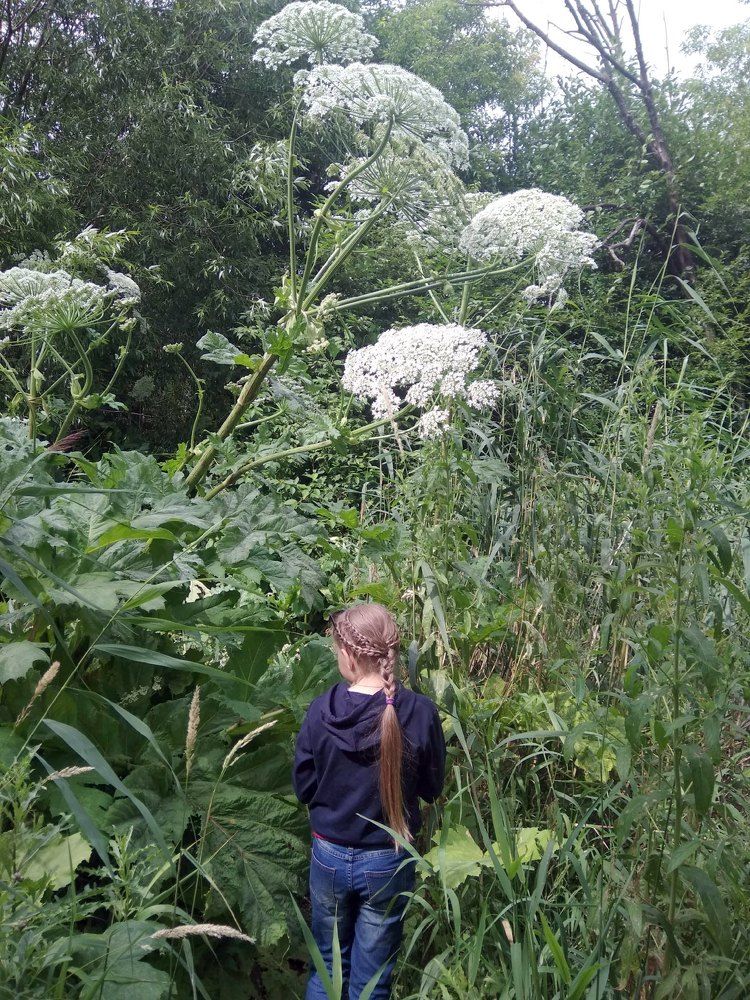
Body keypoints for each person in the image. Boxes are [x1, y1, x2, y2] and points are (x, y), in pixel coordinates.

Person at [293, 602, 446, 1000]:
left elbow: (304, 788)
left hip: (328, 855)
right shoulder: (420, 712)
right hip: (388, 859)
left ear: (349, 654)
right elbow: (432, 788)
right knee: (372, 982)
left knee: (326, 971)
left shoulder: (321, 710)